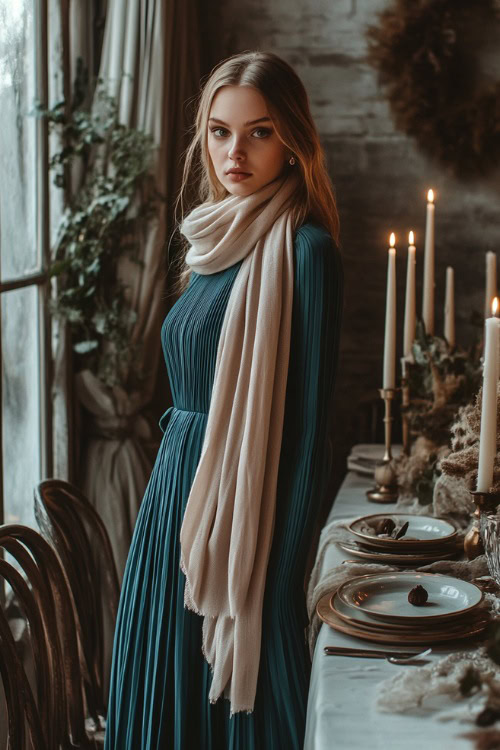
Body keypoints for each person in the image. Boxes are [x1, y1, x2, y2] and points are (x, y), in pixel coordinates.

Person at [104, 50, 343, 750]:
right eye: (219, 131)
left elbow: (306, 437)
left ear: (293, 141)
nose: (234, 151)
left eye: (259, 132)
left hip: (247, 523)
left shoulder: (305, 252)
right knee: (160, 703)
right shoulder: (210, 241)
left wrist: (278, 579)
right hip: (173, 503)